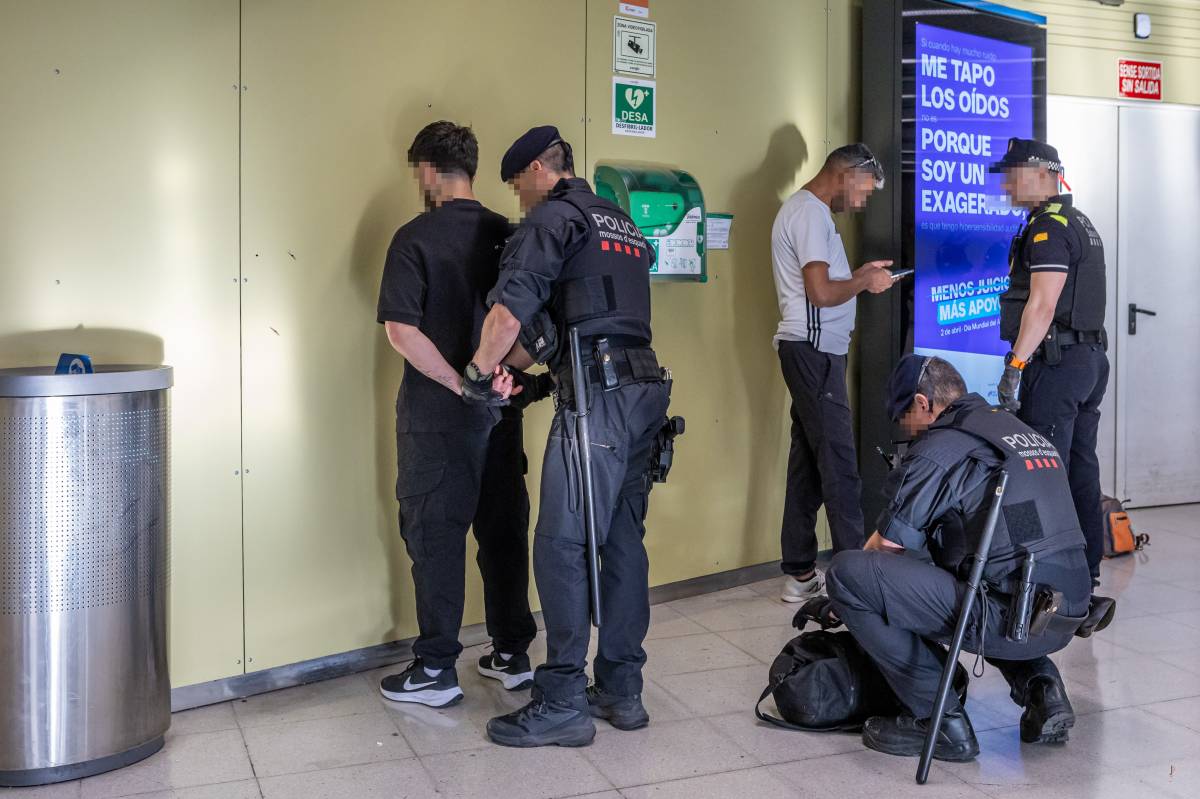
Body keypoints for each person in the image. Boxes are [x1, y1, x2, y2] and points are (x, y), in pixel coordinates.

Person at [459, 125, 671, 748]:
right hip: (643, 391)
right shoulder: (618, 223)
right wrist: (520, 375)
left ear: (536, 170)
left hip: (596, 404)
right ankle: (622, 690)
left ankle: (561, 702)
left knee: (561, 545)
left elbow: (509, 315)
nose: (519, 199)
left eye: (517, 185)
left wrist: (478, 373)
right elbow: (570, 324)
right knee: (621, 541)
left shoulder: (551, 219)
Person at [822, 355, 1093, 762]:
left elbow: (886, 548)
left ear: (922, 403)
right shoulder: (1015, 431)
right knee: (990, 575)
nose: (907, 433)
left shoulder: (942, 446)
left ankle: (939, 722)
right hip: (1066, 613)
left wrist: (835, 600)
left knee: (848, 575)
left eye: (904, 420)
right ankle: (1043, 689)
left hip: (1013, 617)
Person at [375, 121, 546, 708]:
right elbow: (533, 325)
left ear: (427, 171)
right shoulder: (512, 236)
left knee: (436, 535)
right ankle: (512, 655)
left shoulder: (413, 238)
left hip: (437, 419)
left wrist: (459, 384)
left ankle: (435, 669)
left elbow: (402, 331)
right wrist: (499, 383)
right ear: (469, 168)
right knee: (503, 531)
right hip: (503, 411)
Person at [769, 143, 901, 603]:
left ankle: (801, 573)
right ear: (847, 174)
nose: (862, 202)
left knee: (808, 465)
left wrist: (860, 274)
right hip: (814, 352)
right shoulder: (809, 213)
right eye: (864, 190)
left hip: (815, 353)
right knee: (840, 466)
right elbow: (821, 293)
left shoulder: (810, 213)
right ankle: (857, 586)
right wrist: (863, 280)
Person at [993, 138, 1109, 585]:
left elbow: (1042, 306)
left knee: (1041, 469)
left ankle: (1045, 577)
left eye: (1013, 175)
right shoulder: (1078, 221)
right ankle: (1086, 573)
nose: (1006, 185)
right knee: (1080, 468)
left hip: (1058, 366)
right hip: (1088, 361)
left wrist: (1015, 366)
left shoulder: (1049, 228)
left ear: (1043, 174)